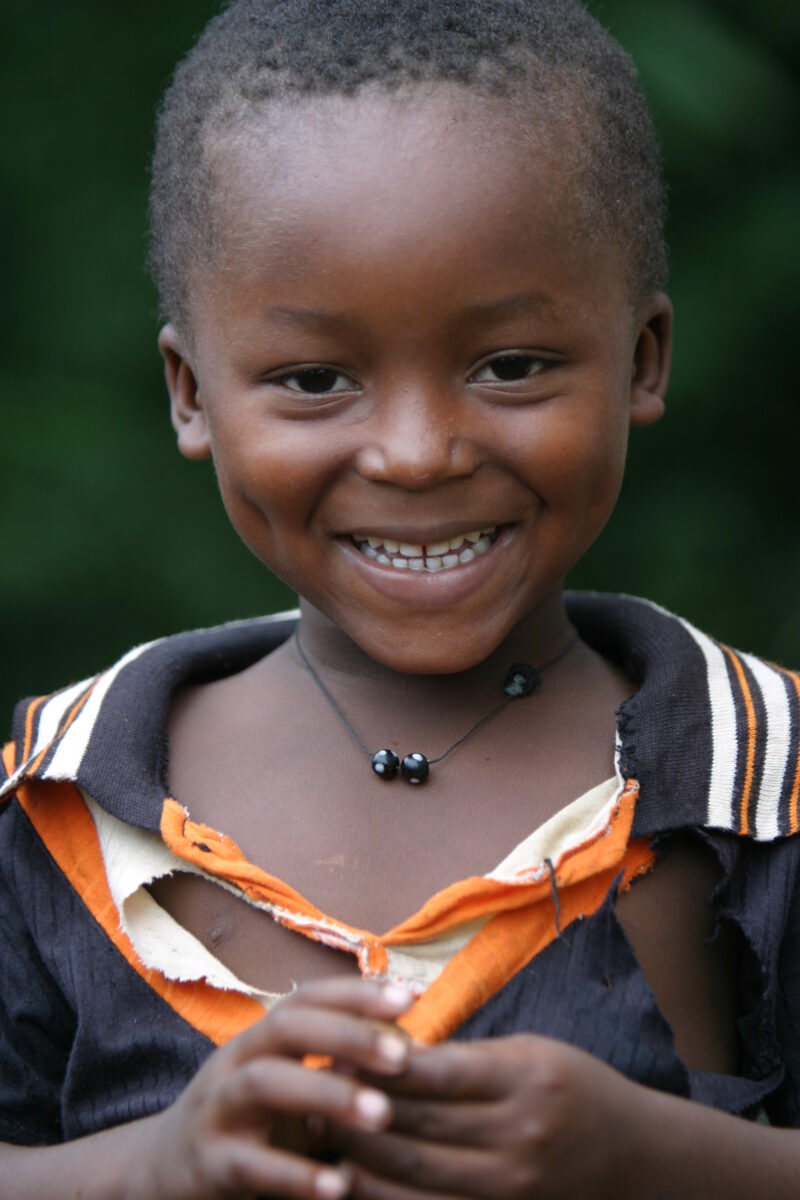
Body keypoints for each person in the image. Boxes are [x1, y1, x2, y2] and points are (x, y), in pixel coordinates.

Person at [2, 0, 799, 1196]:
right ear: (189, 394)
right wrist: (157, 1165)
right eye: (315, 379)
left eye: (510, 366)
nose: (417, 452)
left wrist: (659, 1158)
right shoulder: (53, 806)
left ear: (641, 360)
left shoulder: (767, 790)